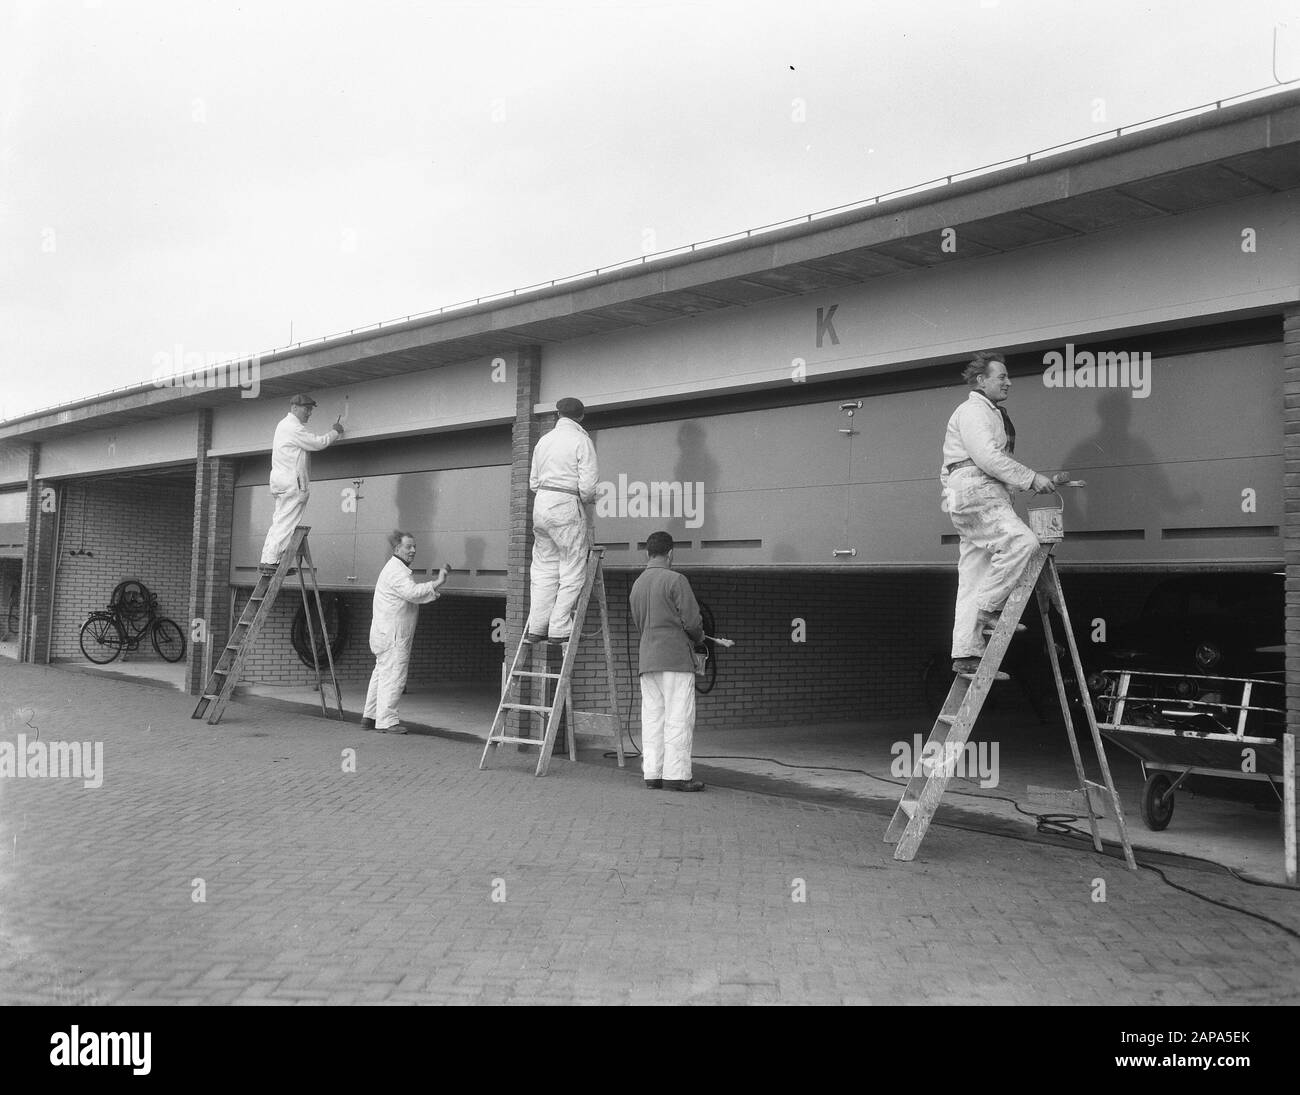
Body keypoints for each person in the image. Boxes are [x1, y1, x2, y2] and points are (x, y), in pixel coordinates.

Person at [940, 351, 1062, 675]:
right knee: (1023, 541)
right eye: (1001, 377)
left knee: (974, 574)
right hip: (978, 489)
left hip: (973, 492)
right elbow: (988, 457)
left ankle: (966, 653)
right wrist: (1032, 478)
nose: (1009, 382)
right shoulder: (973, 411)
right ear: (981, 380)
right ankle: (988, 609)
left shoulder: (984, 412)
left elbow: (953, 468)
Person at [629, 531, 706, 791]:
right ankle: (678, 776)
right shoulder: (676, 580)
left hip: (647, 659)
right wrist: (698, 638)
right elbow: (693, 622)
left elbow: (639, 622)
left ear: (647, 553)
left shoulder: (638, 583)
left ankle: (652, 773)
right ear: (671, 553)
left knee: (652, 718)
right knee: (678, 718)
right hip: (675, 658)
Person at [525, 396, 598, 644]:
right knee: (572, 565)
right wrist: (586, 500)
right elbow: (588, 487)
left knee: (544, 567)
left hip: (541, 504)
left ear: (557, 415)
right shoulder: (581, 440)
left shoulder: (543, 441)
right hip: (566, 504)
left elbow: (533, 482)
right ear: (581, 416)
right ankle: (558, 627)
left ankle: (537, 625)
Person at [362, 531, 448, 734]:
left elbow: (411, 595)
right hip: (393, 636)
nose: (413, 550)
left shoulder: (394, 569)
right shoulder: (396, 571)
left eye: (414, 546)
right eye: (408, 547)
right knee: (393, 676)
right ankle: (387, 721)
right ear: (396, 549)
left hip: (384, 634)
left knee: (381, 674)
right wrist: (437, 583)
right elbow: (412, 593)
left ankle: (370, 716)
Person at [259, 394, 344, 573]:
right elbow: (318, 443)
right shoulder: (293, 428)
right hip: (292, 482)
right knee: (287, 522)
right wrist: (335, 432)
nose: (309, 413)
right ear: (294, 408)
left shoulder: (283, 426)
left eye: (310, 409)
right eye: (307, 409)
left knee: (279, 520)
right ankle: (272, 561)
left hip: (281, 481)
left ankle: (267, 558)